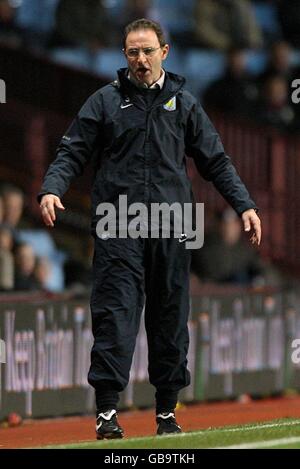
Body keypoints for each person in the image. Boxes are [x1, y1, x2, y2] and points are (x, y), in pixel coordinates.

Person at [38, 18, 261, 439]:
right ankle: (106, 412)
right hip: (116, 223)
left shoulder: (185, 103)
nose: (140, 59)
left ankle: (167, 413)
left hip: (176, 226)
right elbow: (71, 152)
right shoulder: (103, 102)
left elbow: (216, 161)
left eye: (147, 50)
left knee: (171, 317)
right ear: (124, 55)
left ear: (165, 51)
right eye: (132, 52)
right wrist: (51, 189)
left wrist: (244, 205)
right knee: (115, 314)